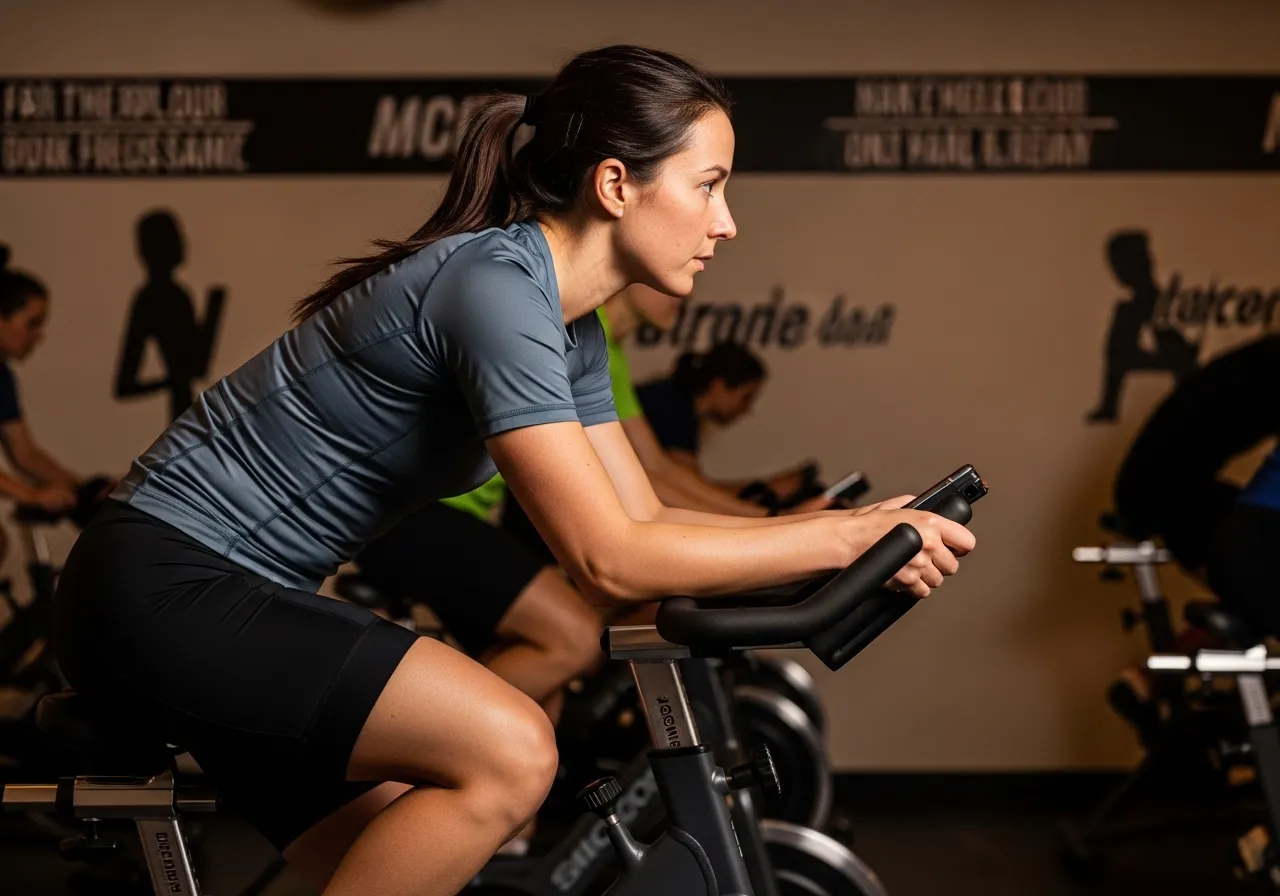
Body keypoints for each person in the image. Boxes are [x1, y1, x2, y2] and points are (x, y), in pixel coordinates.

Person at [52, 46, 973, 896]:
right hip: (163, 587)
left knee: (416, 864)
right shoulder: (493, 286)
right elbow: (608, 560)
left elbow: (645, 520)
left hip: (224, 601)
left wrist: (848, 545)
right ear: (616, 184)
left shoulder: (567, 329)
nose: (726, 224)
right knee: (512, 753)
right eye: (709, 186)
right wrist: (842, 533)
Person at [0, 246, 113, 566]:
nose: (38, 336)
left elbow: (25, 454)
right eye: (32, 323)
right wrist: (30, 494)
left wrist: (84, 488)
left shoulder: (3, 377)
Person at [637, 339, 815, 504]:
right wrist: (766, 489)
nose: (747, 410)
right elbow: (689, 492)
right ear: (719, 385)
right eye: (746, 398)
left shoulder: (674, 401)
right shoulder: (674, 408)